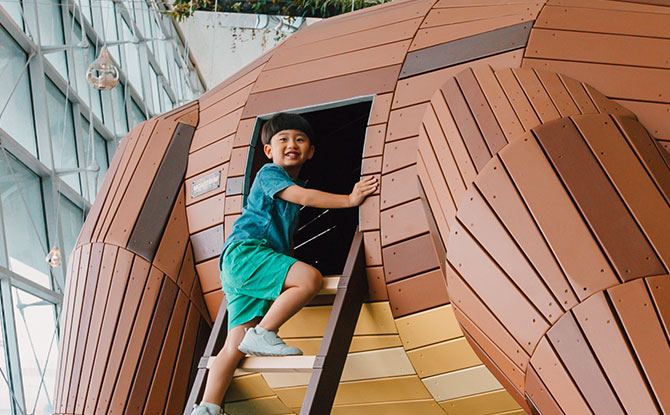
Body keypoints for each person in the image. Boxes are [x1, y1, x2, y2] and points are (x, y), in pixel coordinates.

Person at [190, 112, 378, 415]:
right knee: (309, 280)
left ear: (311, 151)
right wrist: (349, 199)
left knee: (233, 346)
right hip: (248, 253)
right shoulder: (270, 174)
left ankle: (207, 408)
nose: (292, 144)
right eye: (283, 139)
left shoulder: (284, 183)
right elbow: (305, 196)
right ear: (268, 151)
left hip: (238, 266)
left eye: (300, 139)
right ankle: (264, 333)